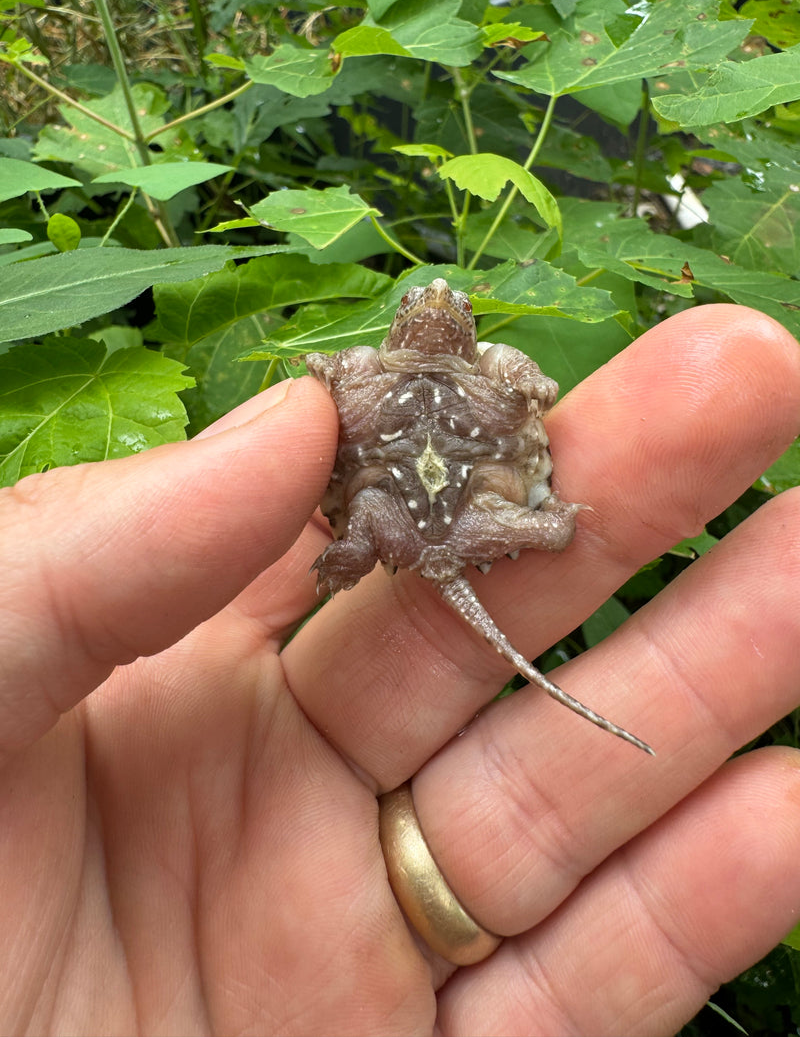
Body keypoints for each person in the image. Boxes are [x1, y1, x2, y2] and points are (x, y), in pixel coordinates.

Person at [1, 302, 799, 1036]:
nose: (438, 305)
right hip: (403, 527)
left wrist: (525, 381)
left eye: (454, 306)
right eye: (421, 304)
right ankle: (397, 551)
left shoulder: (491, 368)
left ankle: (545, 530)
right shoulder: (362, 369)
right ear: (398, 329)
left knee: (516, 524)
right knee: (382, 520)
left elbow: (535, 389)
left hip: (468, 512)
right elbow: (333, 386)